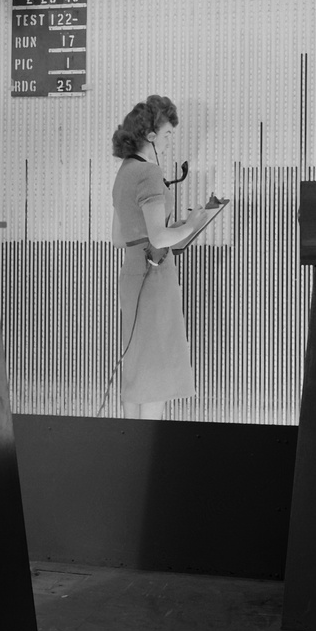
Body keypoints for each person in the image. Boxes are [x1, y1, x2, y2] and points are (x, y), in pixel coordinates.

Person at [111, 95, 208, 420]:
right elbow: (159, 237)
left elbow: (119, 236)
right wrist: (193, 222)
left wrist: (171, 230)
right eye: (167, 134)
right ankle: (148, 449)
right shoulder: (150, 173)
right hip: (155, 275)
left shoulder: (124, 171)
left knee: (137, 363)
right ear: (150, 135)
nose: (169, 141)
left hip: (132, 271)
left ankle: (128, 444)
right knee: (156, 367)